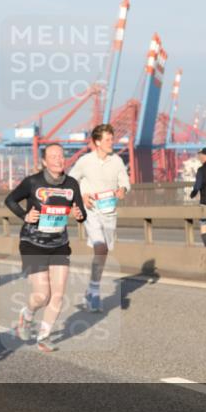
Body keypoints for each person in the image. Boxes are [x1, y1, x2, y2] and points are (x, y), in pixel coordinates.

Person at [5, 144, 85, 352]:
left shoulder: (72, 184)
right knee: (42, 295)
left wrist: (79, 215)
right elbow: (10, 200)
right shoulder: (33, 182)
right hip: (33, 244)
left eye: (61, 155)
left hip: (59, 244)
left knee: (58, 294)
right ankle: (27, 315)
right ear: (44, 161)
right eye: (54, 156)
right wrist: (25, 215)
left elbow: (81, 212)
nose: (59, 159)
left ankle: (44, 336)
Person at [68, 123, 130, 312]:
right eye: (108, 139)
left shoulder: (117, 161)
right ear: (97, 142)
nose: (112, 142)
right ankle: (94, 292)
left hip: (109, 212)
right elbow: (71, 181)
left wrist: (123, 190)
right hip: (91, 210)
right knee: (100, 246)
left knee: (102, 253)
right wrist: (81, 197)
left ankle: (91, 288)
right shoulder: (85, 161)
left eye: (112, 139)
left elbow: (125, 182)